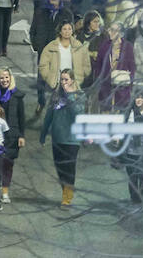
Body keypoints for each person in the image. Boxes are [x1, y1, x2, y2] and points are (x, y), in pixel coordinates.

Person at [41, 69, 84, 207]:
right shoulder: (55, 96)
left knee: (69, 168)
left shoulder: (79, 96)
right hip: (57, 138)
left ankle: (67, 197)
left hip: (72, 139)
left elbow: (78, 115)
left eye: (66, 79)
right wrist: (43, 134)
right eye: (62, 79)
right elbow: (49, 115)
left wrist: (69, 97)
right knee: (60, 168)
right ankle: (65, 191)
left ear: (72, 80)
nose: (64, 82)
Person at [0, 68, 26, 204]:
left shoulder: (17, 96)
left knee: (8, 164)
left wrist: (21, 136)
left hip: (12, 136)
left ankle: (5, 191)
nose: (4, 80)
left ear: (11, 78)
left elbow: (22, 117)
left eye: (7, 77)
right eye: (2, 78)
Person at [122, 87, 143, 207]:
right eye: (137, 97)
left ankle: (141, 198)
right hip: (130, 150)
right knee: (132, 178)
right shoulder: (129, 112)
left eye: (142, 97)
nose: (139, 100)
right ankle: (134, 200)